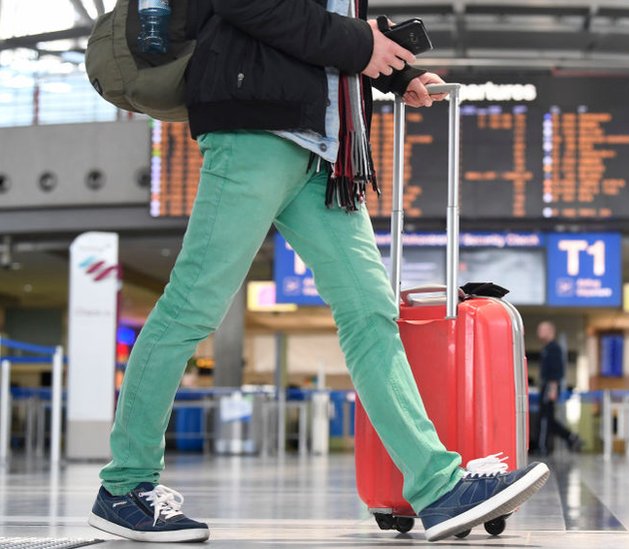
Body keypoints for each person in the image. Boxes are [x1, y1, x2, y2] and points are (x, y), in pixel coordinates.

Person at [87, 0, 549, 543]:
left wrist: (397, 70)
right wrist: (362, 43)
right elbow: (257, 10)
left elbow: (327, 30)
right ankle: (124, 486)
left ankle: (438, 486)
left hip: (327, 154)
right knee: (192, 308)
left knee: (371, 312)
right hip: (254, 131)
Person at [536, 321, 582, 455]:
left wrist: (553, 388)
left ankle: (543, 447)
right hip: (545, 385)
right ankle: (570, 437)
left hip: (549, 386)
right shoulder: (546, 348)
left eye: (542, 329)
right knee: (548, 419)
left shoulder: (554, 348)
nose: (539, 332)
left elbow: (556, 371)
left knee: (545, 419)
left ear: (550, 331)